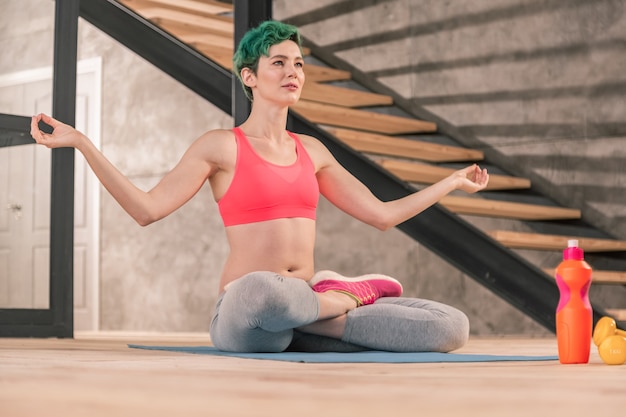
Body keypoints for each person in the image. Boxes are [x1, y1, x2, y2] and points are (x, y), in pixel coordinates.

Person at [31, 20, 489, 353]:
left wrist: (450, 181)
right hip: (245, 312)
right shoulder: (220, 147)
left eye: (298, 64)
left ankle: (319, 307)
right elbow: (147, 210)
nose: (293, 72)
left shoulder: (312, 150)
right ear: (249, 76)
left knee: (451, 327)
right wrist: (83, 144)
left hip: (300, 311)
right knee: (261, 295)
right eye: (278, 63)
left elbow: (383, 216)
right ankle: (343, 296)